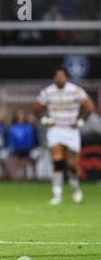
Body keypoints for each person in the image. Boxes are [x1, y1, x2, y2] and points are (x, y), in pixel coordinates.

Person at [34, 66, 95, 205]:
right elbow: (36, 108)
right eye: (57, 76)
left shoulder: (75, 90)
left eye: (62, 76)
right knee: (57, 160)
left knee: (72, 164)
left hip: (71, 130)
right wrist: (45, 120)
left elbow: (89, 107)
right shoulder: (48, 92)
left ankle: (75, 188)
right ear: (54, 78)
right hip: (55, 129)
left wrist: (80, 122)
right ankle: (57, 194)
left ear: (66, 77)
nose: (60, 79)